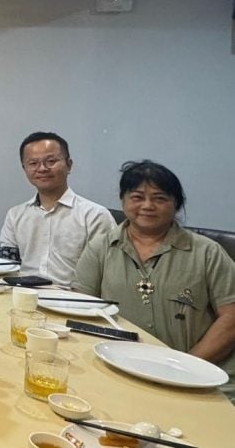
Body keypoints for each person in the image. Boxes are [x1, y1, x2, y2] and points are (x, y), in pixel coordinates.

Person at [74, 161, 235, 392]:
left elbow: (230, 318)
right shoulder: (101, 247)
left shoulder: (207, 253)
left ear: (176, 204)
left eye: (159, 198)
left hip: (200, 378)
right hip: (119, 371)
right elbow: (81, 309)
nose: (147, 206)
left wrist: (184, 368)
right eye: (137, 197)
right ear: (123, 201)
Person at [0, 131, 116, 287]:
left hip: (74, 297)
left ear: (69, 165)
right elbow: (8, 266)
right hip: (23, 294)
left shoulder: (95, 216)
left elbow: (108, 273)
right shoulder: (15, 215)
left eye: (51, 161)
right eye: (33, 163)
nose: (42, 168)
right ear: (24, 168)